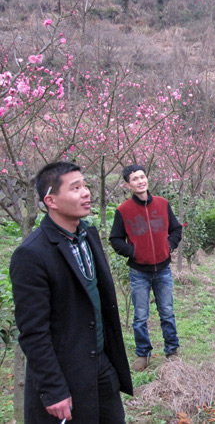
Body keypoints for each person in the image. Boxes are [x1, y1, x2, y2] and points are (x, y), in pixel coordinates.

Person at [10, 161, 133, 423]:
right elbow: (33, 331)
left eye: (85, 185)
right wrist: (53, 388)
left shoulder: (88, 235)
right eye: (75, 188)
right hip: (66, 372)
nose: (86, 192)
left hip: (101, 364)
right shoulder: (32, 254)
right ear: (51, 200)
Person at [110, 164, 182, 372]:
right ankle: (143, 354)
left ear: (147, 179)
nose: (140, 181)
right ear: (128, 185)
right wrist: (134, 252)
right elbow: (115, 239)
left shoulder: (162, 204)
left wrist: (168, 246)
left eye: (142, 177)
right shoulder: (123, 211)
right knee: (140, 315)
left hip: (163, 269)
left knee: (167, 311)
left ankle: (172, 350)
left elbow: (176, 229)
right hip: (139, 271)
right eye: (135, 179)